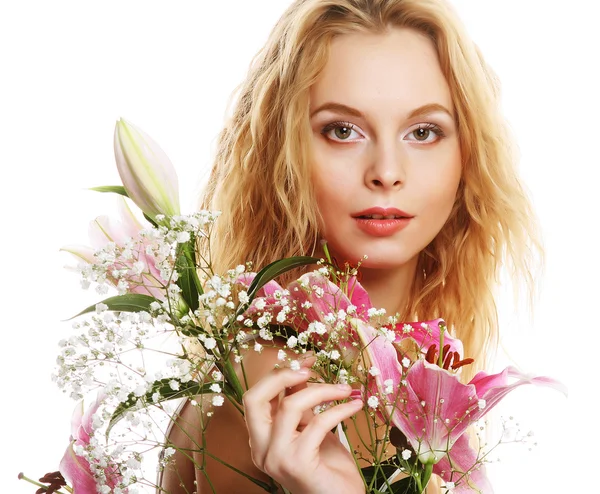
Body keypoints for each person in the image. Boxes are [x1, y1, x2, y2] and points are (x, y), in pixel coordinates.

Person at [160, 0, 542, 492]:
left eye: (423, 132)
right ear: (286, 152)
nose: (386, 171)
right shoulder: (273, 393)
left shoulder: (400, 371)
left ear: (466, 156)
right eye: (342, 131)